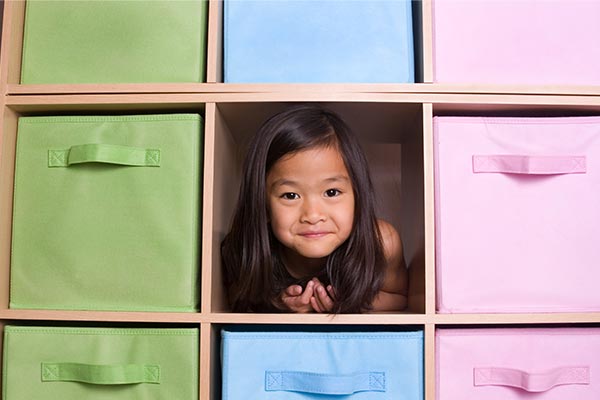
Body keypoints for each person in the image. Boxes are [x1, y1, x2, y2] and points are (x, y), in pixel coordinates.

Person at [221, 105, 408, 313]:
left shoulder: (381, 242)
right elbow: (233, 300)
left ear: (357, 194)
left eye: (331, 192)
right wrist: (278, 305)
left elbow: (399, 298)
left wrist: (351, 305)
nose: (312, 215)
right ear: (263, 204)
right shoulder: (244, 246)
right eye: (290, 195)